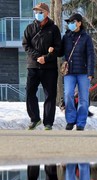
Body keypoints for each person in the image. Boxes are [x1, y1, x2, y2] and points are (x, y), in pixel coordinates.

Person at [22, 2, 61, 130]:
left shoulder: (54, 29)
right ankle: (35, 119)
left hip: (49, 68)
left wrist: (47, 58)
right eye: (36, 12)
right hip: (33, 66)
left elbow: (58, 48)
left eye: (40, 12)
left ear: (47, 13)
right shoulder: (29, 28)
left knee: (50, 94)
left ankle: (48, 122)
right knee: (29, 93)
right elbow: (26, 45)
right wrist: (38, 57)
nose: (37, 14)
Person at [61, 13, 95, 131]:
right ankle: (70, 120)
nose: (70, 24)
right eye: (69, 22)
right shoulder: (66, 37)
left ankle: (81, 122)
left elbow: (91, 55)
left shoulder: (86, 37)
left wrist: (90, 72)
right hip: (69, 72)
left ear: (79, 23)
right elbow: (60, 52)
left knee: (83, 99)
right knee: (68, 94)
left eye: (73, 22)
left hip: (83, 72)